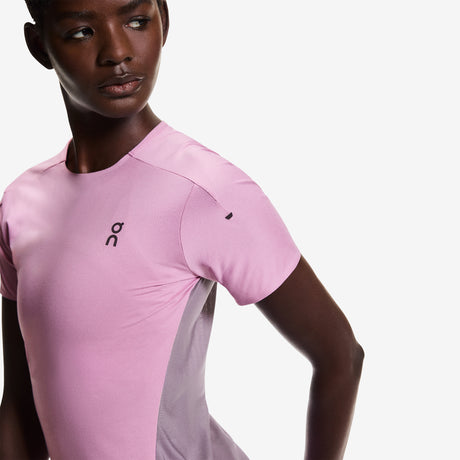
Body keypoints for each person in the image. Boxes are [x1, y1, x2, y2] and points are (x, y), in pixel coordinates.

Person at [0, 0, 364, 459]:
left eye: (137, 21)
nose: (118, 52)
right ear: (39, 46)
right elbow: (20, 404)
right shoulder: (21, 204)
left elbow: (340, 356)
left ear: (164, 19)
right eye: (82, 32)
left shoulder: (204, 189)